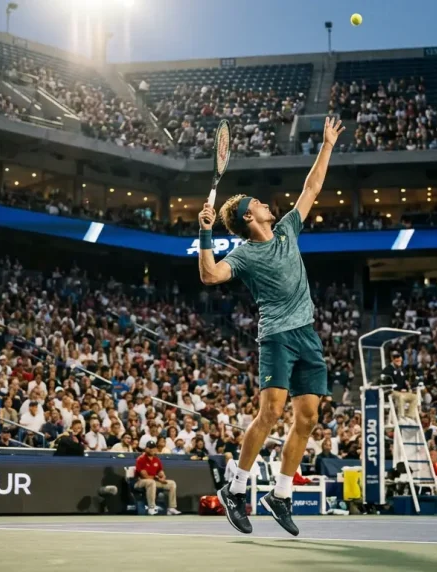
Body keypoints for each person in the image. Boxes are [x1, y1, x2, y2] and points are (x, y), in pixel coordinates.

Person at [198, 117, 345, 536]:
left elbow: (311, 188)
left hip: (308, 335)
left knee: (308, 418)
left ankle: (279, 495)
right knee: (272, 411)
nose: (265, 203)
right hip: (277, 335)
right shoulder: (243, 254)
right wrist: (205, 234)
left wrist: (327, 145)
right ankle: (235, 487)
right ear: (248, 216)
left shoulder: (286, 229)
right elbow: (210, 276)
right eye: (257, 203)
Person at [133, 441, 181, 515]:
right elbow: (144, 476)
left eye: (153, 448)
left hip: (154, 481)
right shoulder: (141, 459)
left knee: (172, 484)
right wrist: (158, 479)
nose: (152, 450)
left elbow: (160, 472)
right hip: (140, 482)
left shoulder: (156, 460)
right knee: (150, 482)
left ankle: (171, 507)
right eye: (150, 448)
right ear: (146, 449)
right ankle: (151, 507)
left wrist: (162, 477)